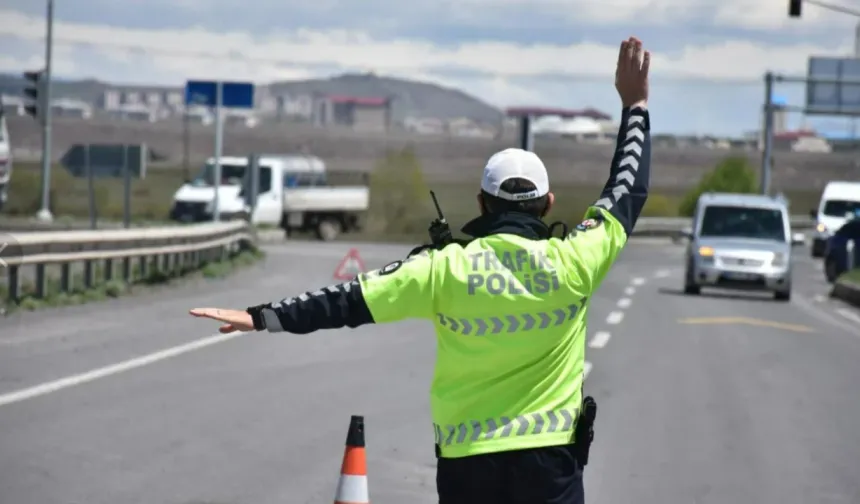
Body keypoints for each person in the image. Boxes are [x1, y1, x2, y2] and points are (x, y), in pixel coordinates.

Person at [190, 36, 651, 504]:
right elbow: (626, 189)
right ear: (547, 203)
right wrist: (635, 105)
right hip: (551, 466)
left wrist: (263, 315)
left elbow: (348, 300)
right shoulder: (575, 260)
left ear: (481, 204)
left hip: (468, 465)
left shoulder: (442, 269)